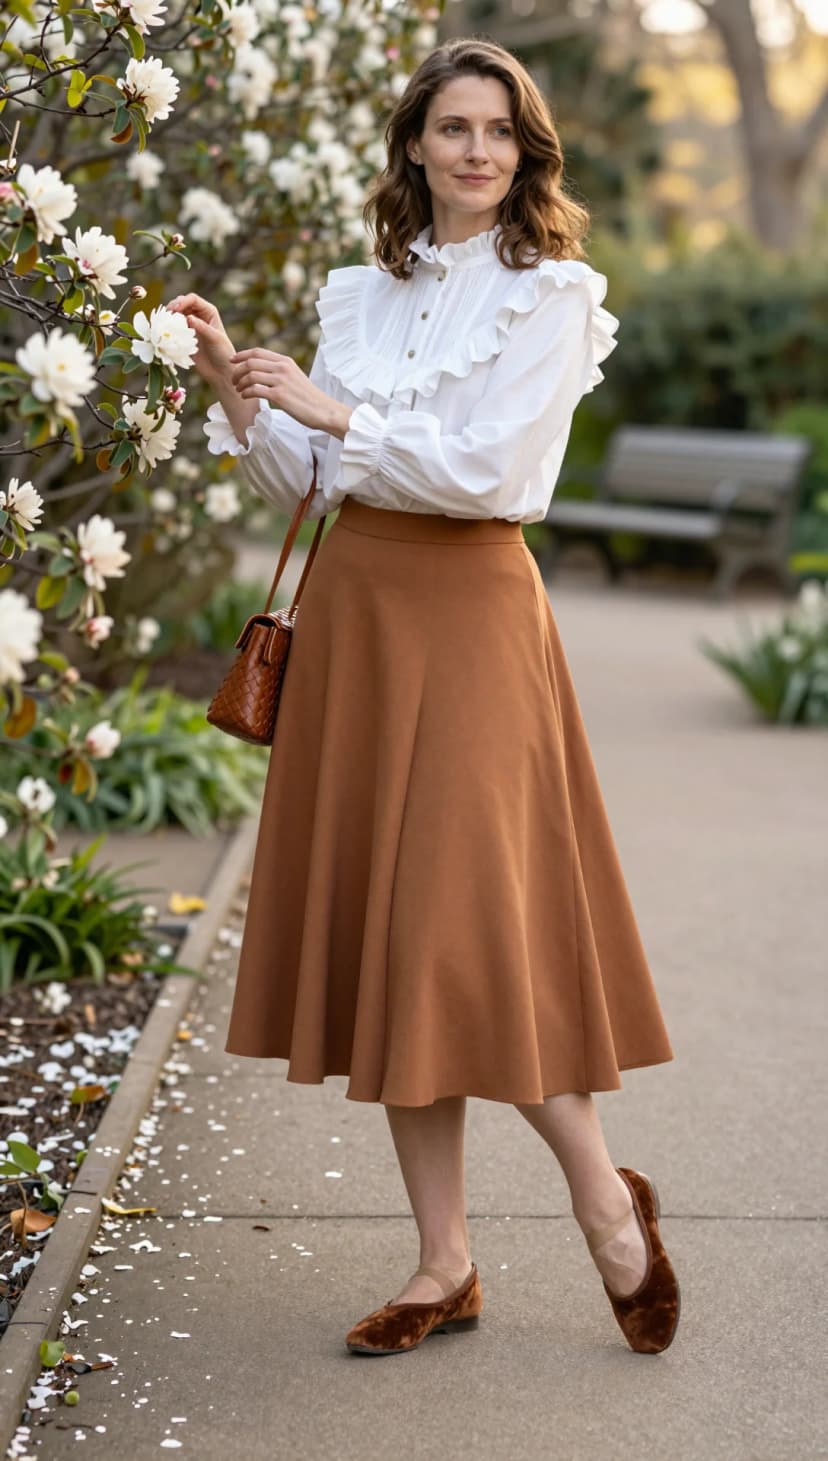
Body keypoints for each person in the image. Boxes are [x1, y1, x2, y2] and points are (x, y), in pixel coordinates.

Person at [168, 36, 681, 1358]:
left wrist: (338, 417)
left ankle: (603, 1200)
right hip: (360, 621)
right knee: (400, 950)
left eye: (498, 131)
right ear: (414, 144)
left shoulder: (554, 294)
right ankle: (442, 1261)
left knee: (468, 935)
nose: (475, 150)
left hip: (470, 621)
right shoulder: (364, 293)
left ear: (526, 151)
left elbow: (495, 477)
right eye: (452, 127)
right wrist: (238, 381)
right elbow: (310, 482)